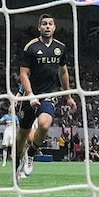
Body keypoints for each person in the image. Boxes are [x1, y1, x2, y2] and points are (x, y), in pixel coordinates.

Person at [16, 14, 78, 180]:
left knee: (44, 125)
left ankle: (31, 153)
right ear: (39, 27)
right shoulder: (31, 47)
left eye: (50, 23)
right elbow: (24, 74)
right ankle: (16, 165)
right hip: (29, 96)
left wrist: (68, 97)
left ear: (54, 27)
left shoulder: (60, 48)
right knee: (22, 135)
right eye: (44, 24)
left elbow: (63, 72)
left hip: (49, 94)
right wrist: (30, 95)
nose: (47, 26)